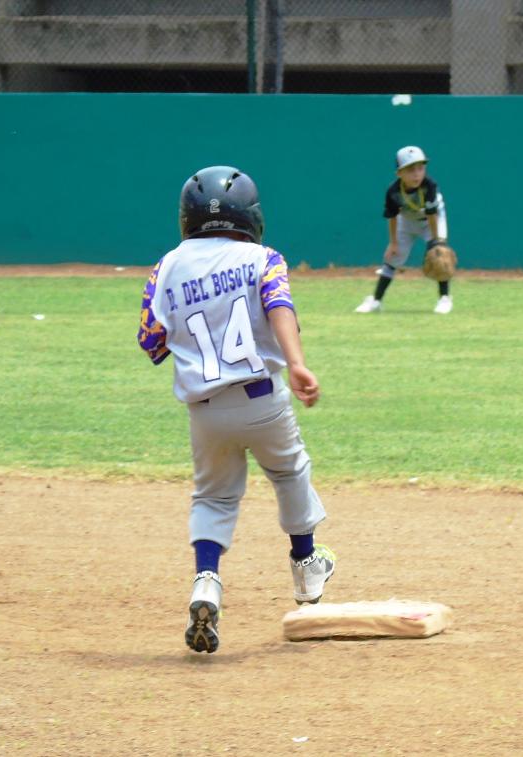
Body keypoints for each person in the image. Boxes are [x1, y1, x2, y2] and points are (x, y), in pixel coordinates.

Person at [138, 165, 336, 654]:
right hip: (262, 398)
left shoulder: (166, 266)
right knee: (289, 472)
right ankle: (306, 567)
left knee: (214, 497)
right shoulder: (262, 258)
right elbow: (278, 304)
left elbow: (151, 340)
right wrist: (296, 363)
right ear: (250, 215)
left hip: (204, 410)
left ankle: (206, 581)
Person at [355, 145, 453, 314]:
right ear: (399, 173)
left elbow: (432, 215)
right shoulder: (393, 191)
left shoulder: (430, 185)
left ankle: (444, 298)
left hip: (433, 220)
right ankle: (376, 301)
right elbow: (392, 217)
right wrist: (393, 243)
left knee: (440, 259)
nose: (416, 174)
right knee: (392, 259)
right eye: (410, 170)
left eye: (420, 168)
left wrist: (436, 242)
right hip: (406, 221)